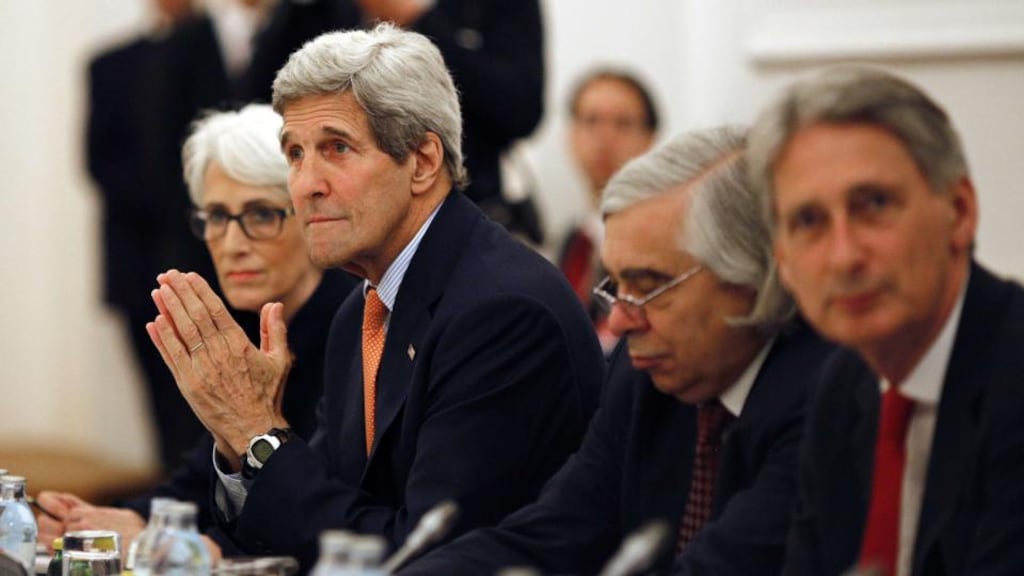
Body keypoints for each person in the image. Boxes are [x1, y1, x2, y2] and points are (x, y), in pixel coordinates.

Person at [147, 24, 604, 570]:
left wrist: (258, 434)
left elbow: (414, 553)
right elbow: (323, 510)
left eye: (336, 148)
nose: (305, 183)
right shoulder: (362, 310)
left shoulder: (502, 314)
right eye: (294, 153)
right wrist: (237, 436)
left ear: (423, 161)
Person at [402, 127, 837, 575]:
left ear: (752, 275)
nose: (620, 321)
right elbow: (546, 538)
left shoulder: (828, 394)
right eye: (615, 286)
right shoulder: (644, 376)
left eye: (648, 288)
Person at [36, 105, 357, 557]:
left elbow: (324, 516)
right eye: (217, 217)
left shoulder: (355, 327)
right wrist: (133, 518)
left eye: (262, 215)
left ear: (312, 211)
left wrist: (200, 547)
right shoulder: (252, 321)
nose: (232, 244)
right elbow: (202, 476)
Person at [748, 66, 1024, 576]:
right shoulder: (843, 385)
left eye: (873, 205)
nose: (844, 256)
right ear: (782, 259)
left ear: (959, 212)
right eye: (809, 221)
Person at [243, 0, 546, 242]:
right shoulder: (321, 10)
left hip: (467, 208)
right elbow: (256, 106)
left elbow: (522, 110)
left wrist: (418, 19)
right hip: (342, 232)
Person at [86, 0, 214, 474]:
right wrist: (170, 201)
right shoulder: (110, 62)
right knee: (163, 410)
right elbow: (99, 162)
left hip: (215, 258)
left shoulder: (220, 49)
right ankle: (171, 501)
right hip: (138, 259)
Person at [558, 68, 659, 352]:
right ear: (571, 136)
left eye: (623, 123)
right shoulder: (574, 239)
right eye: (591, 121)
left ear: (650, 139)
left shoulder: (660, 247)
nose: (605, 138)